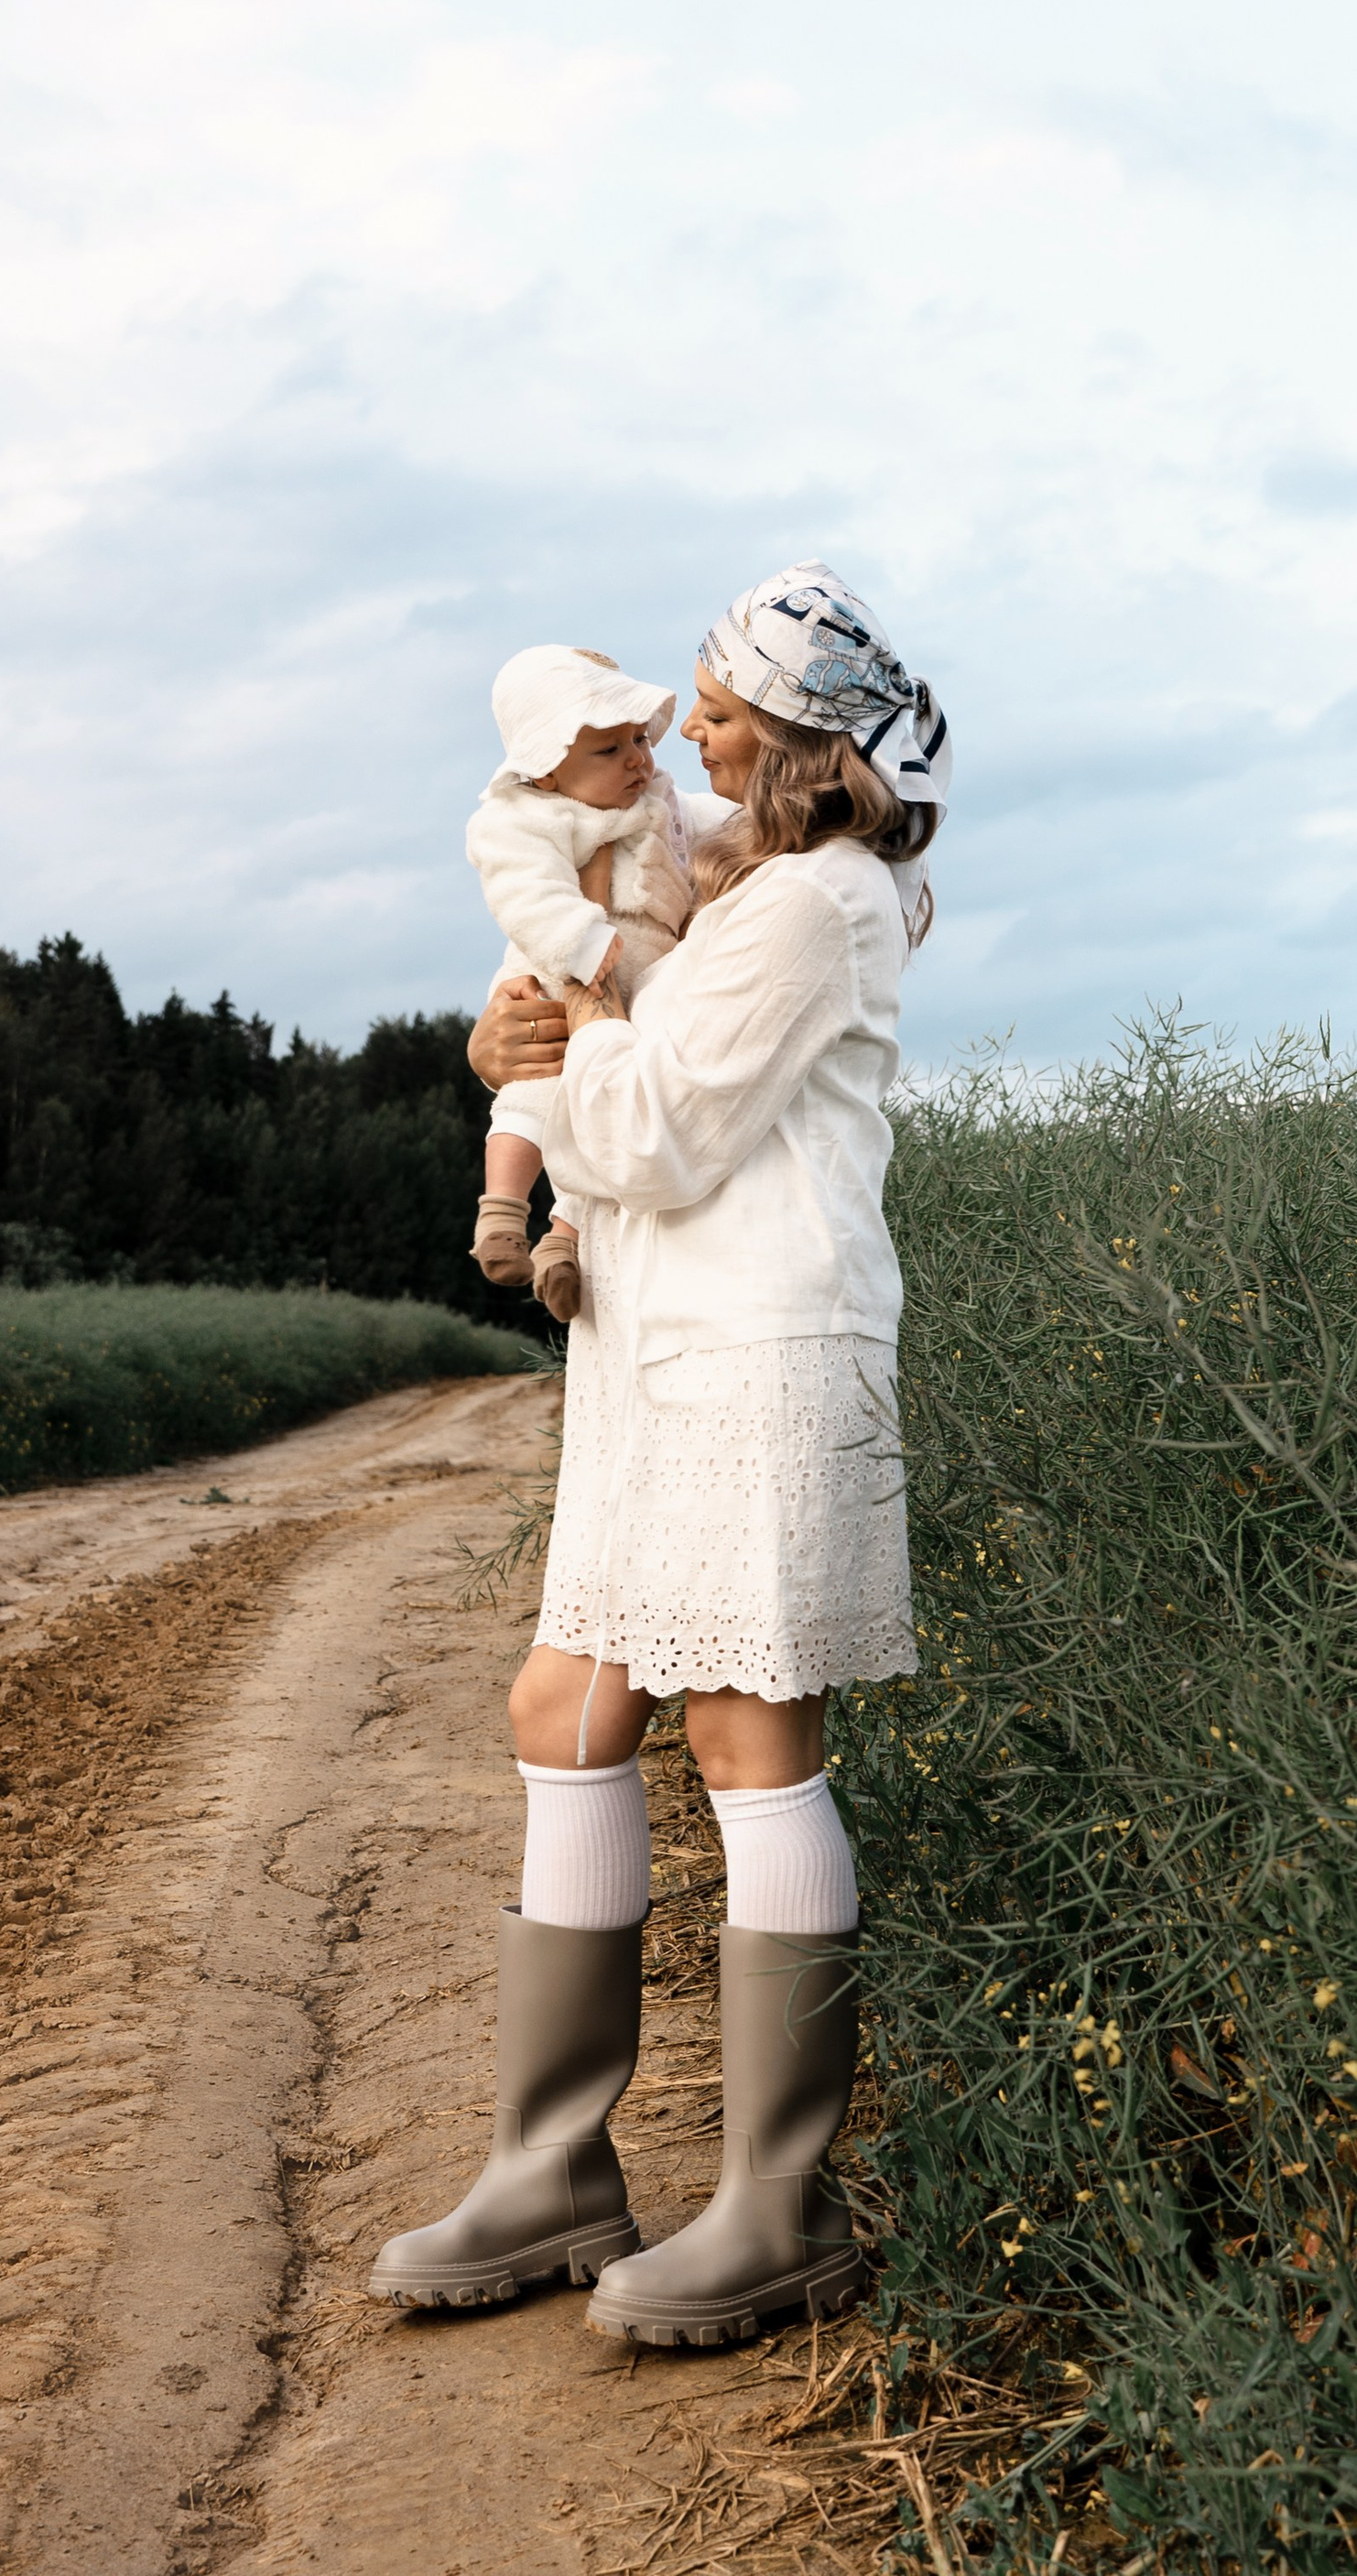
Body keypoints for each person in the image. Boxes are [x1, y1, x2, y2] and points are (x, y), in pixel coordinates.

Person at [368, 561, 950, 2350]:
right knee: (568, 1707)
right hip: (652, 1348)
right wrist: (523, 1036)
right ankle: (554, 2167)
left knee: (744, 1724)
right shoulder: (735, 880)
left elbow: (672, 1124)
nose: (684, 728)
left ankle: (783, 2207)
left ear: (787, 733)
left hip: (763, 1344)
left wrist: (555, 1056)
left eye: (710, 701)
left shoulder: (818, 906)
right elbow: (578, 970)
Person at [464, 645, 696, 1326]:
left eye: (637, 739)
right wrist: (581, 940)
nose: (637, 758)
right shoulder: (526, 818)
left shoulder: (666, 804)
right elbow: (523, 891)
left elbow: (708, 852)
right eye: (608, 750)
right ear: (544, 771)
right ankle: (503, 1211)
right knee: (537, 1091)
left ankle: (563, 1240)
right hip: (562, 967)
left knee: (604, 1110)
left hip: (644, 982)